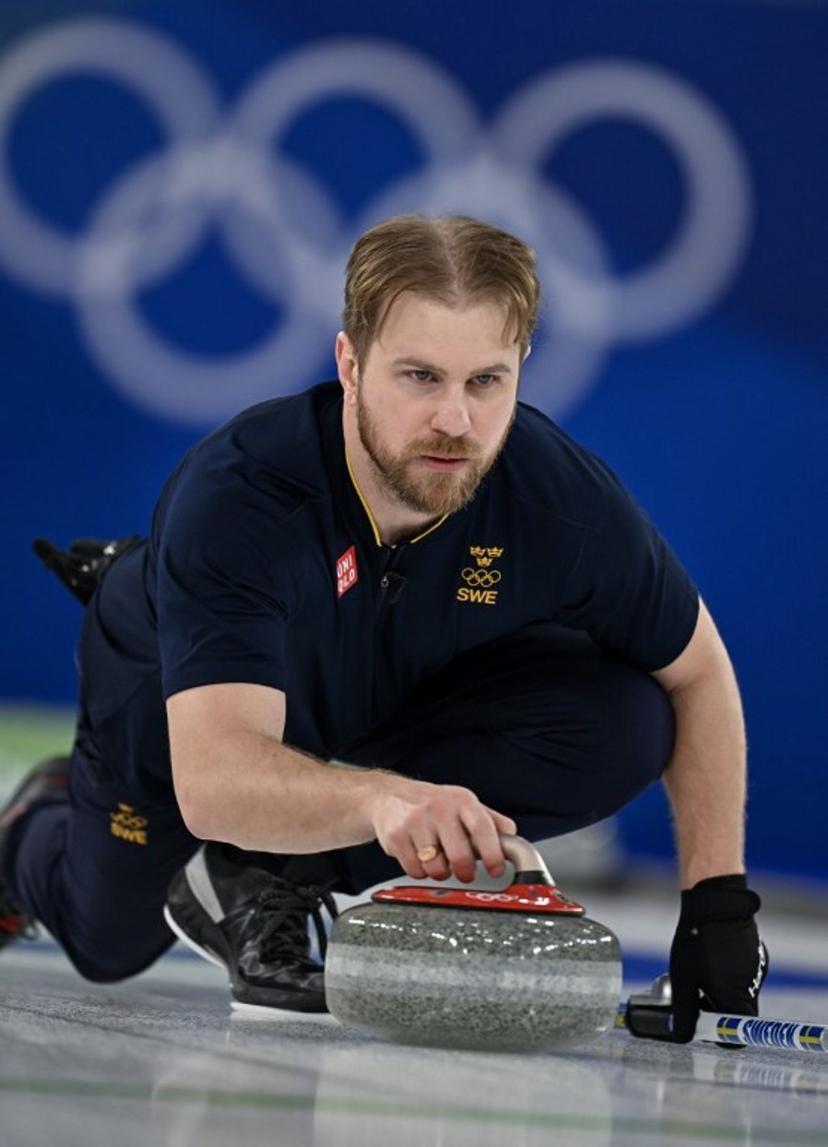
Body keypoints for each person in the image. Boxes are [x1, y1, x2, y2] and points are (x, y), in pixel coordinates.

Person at [0, 215, 765, 1041]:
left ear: (521, 373)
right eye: (420, 377)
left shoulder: (558, 499)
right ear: (350, 365)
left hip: (383, 691)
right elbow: (215, 778)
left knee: (631, 718)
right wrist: (380, 798)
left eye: (486, 381)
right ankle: (33, 825)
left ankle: (271, 869)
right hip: (179, 698)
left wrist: (717, 905)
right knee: (107, 937)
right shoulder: (240, 498)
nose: (456, 422)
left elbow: (699, 671)